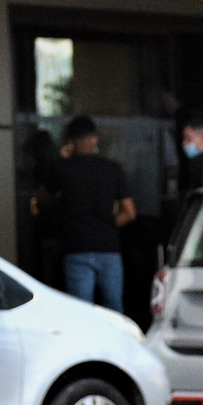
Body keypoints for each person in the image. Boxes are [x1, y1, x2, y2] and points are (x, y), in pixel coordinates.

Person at [47, 115, 133, 311]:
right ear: (94, 139)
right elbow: (129, 212)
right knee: (114, 308)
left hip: (76, 245)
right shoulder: (112, 168)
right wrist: (109, 226)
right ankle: (114, 342)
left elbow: (44, 199)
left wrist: (62, 159)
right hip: (108, 247)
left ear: (70, 142)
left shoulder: (62, 168)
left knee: (81, 311)